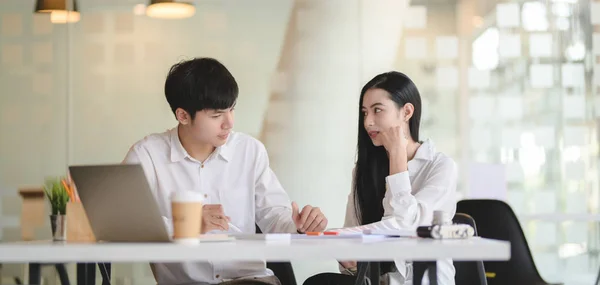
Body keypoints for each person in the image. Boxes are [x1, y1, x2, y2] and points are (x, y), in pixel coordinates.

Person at [122, 57, 328, 285]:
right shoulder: (148, 155)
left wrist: (299, 226)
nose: (229, 123)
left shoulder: (249, 151)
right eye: (217, 115)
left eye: (232, 109)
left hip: (251, 281)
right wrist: (189, 225)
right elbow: (123, 225)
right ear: (183, 116)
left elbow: (274, 216)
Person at [303, 71, 457, 285]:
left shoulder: (441, 167)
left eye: (377, 110)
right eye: (365, 113)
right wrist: (348, 259)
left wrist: (397, 156)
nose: (368, 122)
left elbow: (405, 228)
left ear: (407, 112)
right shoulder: (364, 170)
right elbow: (353, 244)